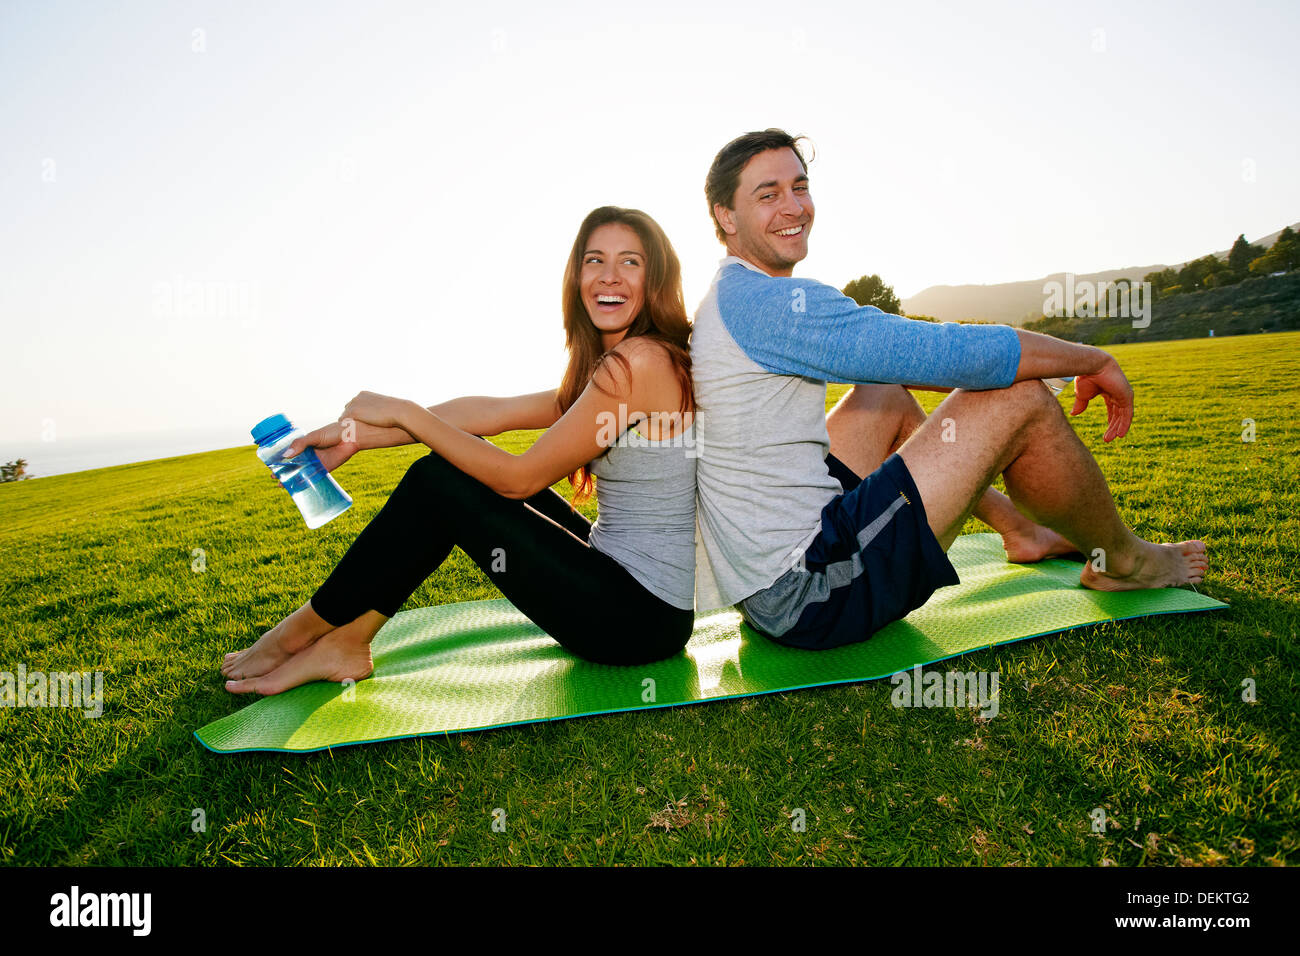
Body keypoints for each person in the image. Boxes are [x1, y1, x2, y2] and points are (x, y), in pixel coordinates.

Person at [692, 128, 1208, 650]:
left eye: (799, 187)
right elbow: (945, 355)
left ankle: (1019, 529)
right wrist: (1090, 359)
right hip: (808, 592)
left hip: (769, 569)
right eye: (768, 194)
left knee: (884, 392)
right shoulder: (765, 304)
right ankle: (1126, 562)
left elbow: (899, 364)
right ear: (726, 217)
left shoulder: (733, 292)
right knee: (1020, 398)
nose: (794, 207)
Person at [222, 206, 697, 694]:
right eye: (595, 260)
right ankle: (347, 641)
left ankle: (296, 634)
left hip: (637, 620)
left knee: (439, 484)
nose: (609, 277)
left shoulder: (639, 362)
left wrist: (405, 410)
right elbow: (489, 413)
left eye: (631, 262)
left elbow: (520, 478)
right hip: (625, 591)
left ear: (655, 277)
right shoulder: (613, 365)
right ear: (576, 275)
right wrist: (354, 437)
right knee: (453, 469)